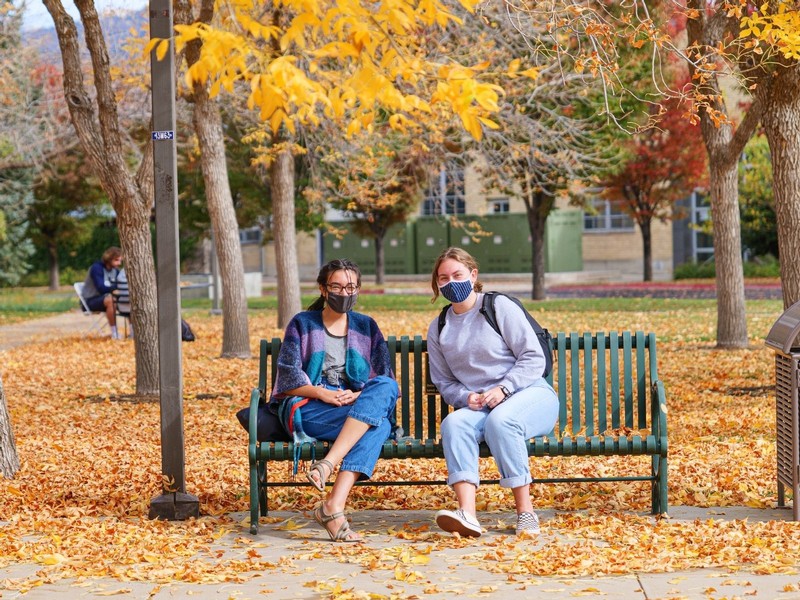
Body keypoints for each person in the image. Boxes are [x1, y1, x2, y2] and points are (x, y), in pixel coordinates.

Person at [426, 247, 559, 537]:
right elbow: (444, 381)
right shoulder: (439, 327)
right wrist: (465, 398)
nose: (451, 283)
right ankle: (468, 514)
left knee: (503, 422)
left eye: (457, 275)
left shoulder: (497, 307)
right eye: (443, 278)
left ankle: (526, 513)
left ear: (473, 275)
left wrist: (505, 387)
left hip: (530, 395)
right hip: (484, 406)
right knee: (454, 423)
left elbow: (534, 358)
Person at [269, 259, 399, 542]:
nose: (344, 293)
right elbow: (288, 378)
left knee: (386, 388)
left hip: (354, 405)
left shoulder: (366, 326)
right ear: (323, 289)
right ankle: (331, 505)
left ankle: (331, 491)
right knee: (380, 426)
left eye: (351, 287)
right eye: (337, 286)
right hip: (311, 408)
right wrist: (321, 392)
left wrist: (360, 394)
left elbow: (384, 378)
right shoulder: (303, 323)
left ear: (358, 289)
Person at [82, 246, 124, 340]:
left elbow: (119, 286)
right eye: (116, 260)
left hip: (105, 298)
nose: (119, 263)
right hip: (90, 301)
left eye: (120, 260)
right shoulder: (96, 268)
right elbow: (101, 288)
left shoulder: (115, 271)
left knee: (128, 299)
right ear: (109, 259)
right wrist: (116, 288)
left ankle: (133, 332)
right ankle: (114, 333)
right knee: (111, 300)